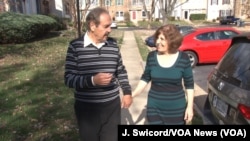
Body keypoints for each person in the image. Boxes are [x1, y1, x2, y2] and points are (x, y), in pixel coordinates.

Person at [64, 7, 132, 141]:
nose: (110, 30)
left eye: (110, 26)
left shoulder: (112, 45)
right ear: (92, 25)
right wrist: (92, 81)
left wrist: (127, 92)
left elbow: (120, 70)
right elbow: (69, 79)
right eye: (106, 26)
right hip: (87, 109)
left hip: (112, 106)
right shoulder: (75, 46)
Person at [132, 24, 194, 125]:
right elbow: (145, 78)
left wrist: (190, 107)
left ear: (172, 41)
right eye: (157, 38)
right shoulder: (152, 57)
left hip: (176, 109)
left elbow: (189, 85)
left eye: (162, 39)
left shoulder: (183, 58)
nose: (157, 42)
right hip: (154, 107)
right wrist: (133, 94)